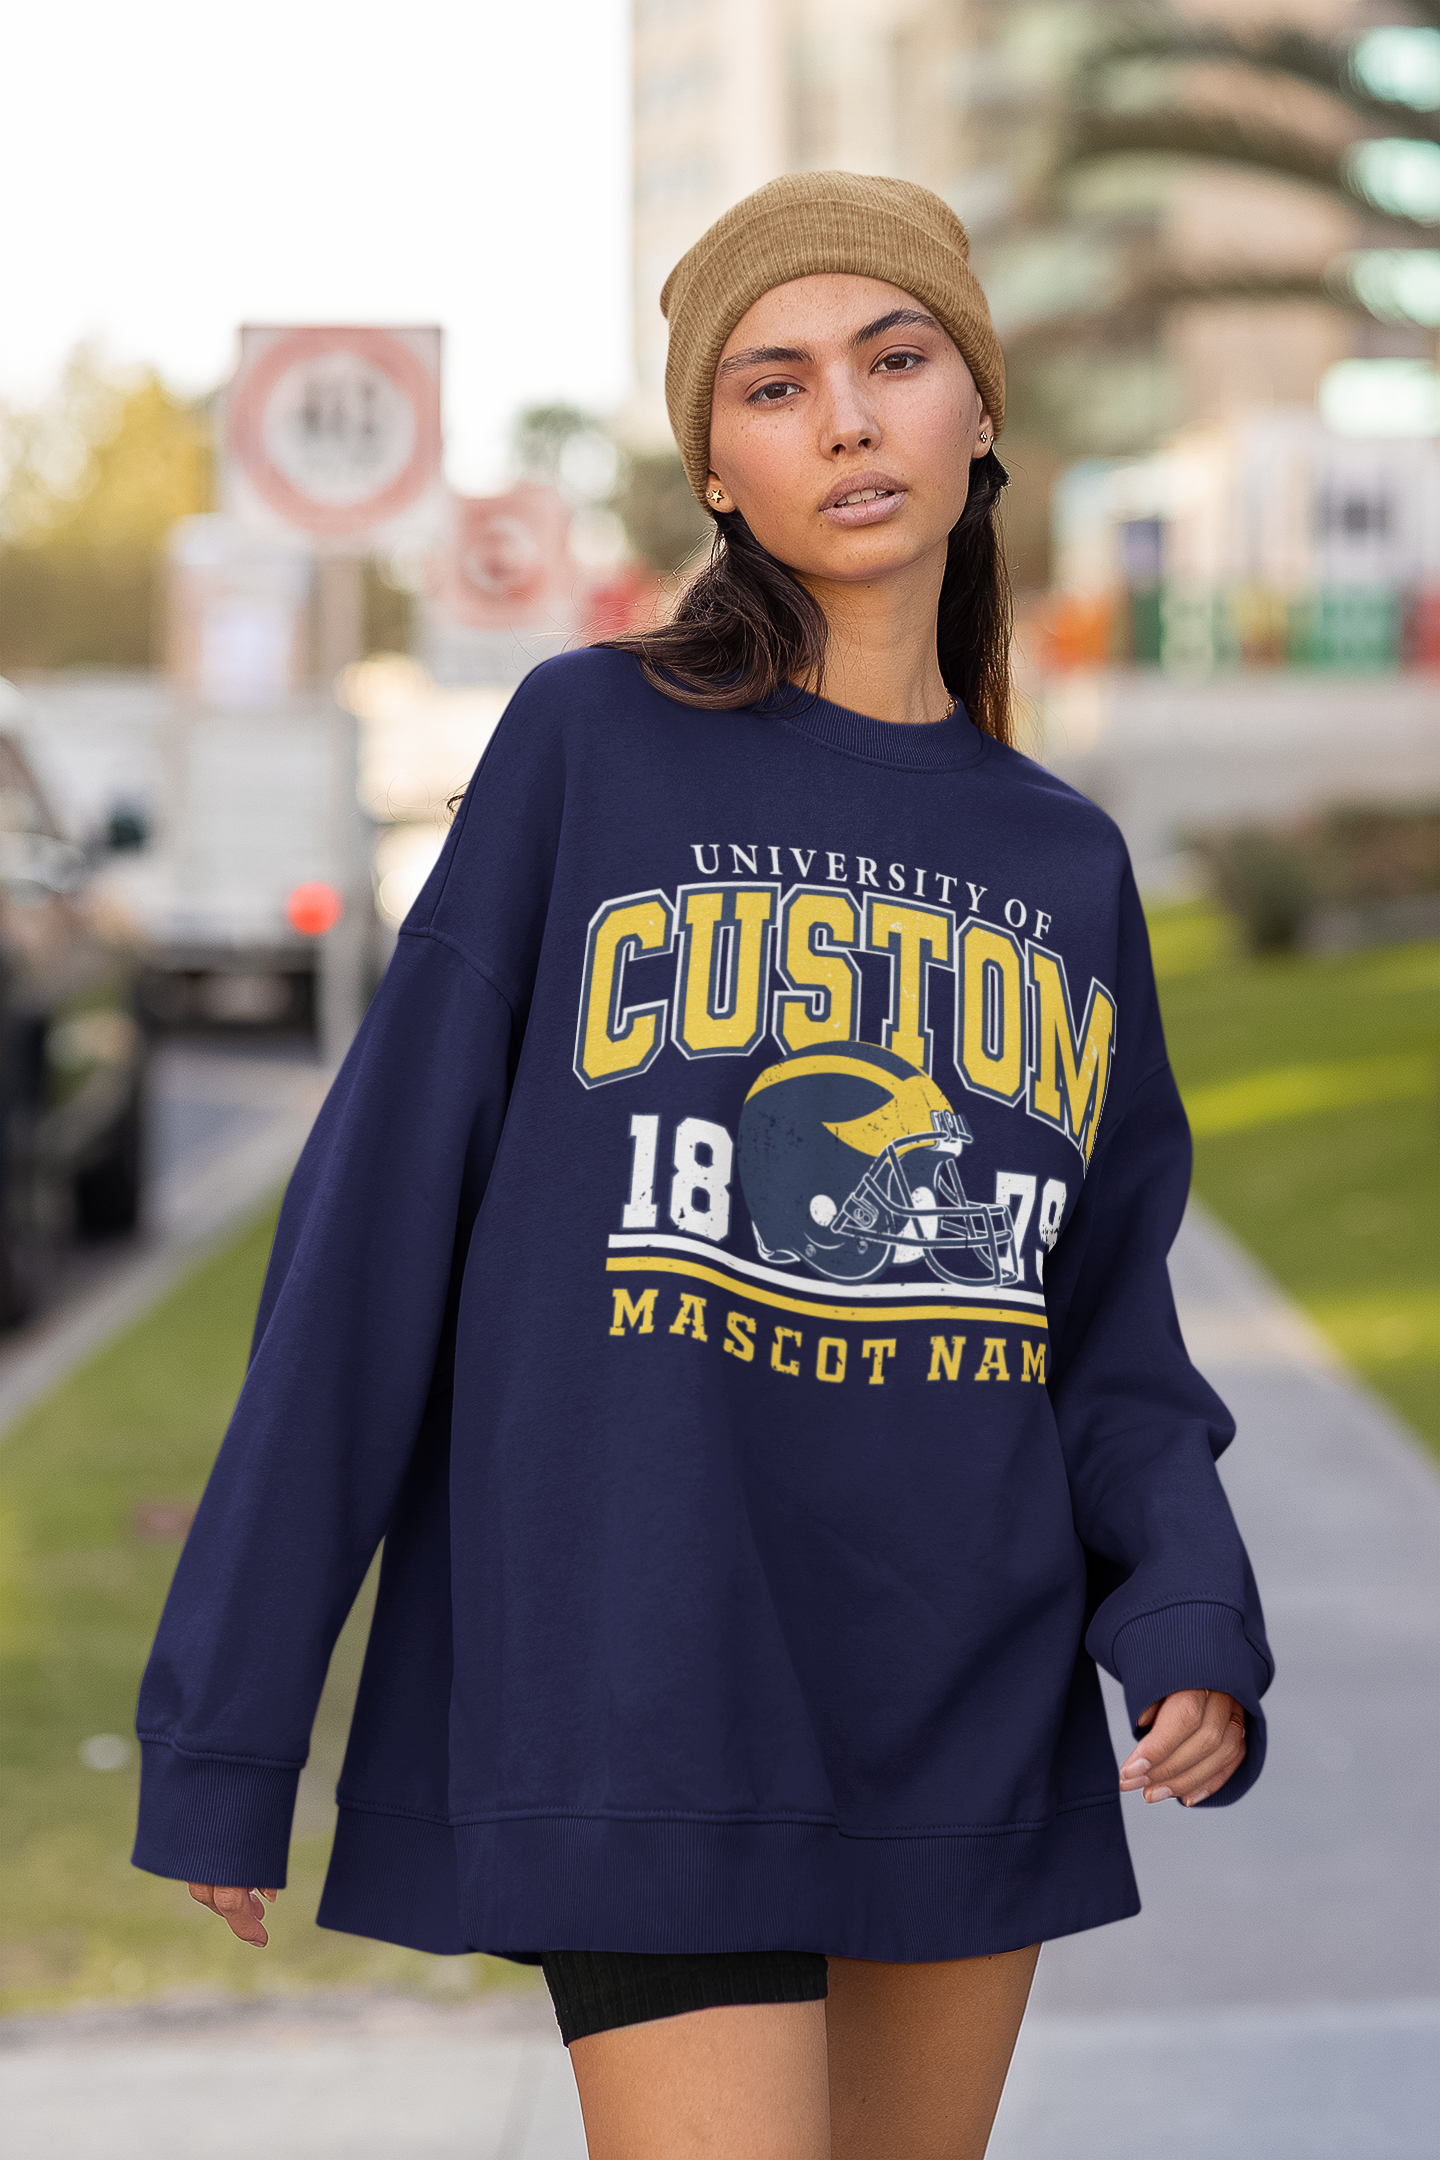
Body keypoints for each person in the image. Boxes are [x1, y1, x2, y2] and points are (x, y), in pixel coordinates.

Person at [133, 173, 1271, 2160]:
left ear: (978, 410)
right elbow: (375, 1230)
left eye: (895, 360)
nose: (846, 418)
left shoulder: (1062, 862)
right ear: (718, 470)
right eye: (775, 383)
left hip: (960, 1681)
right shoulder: (595, 749)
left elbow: (1098, 1310)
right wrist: (228, 1725)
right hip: (642, 1672)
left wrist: (1178, 1609)